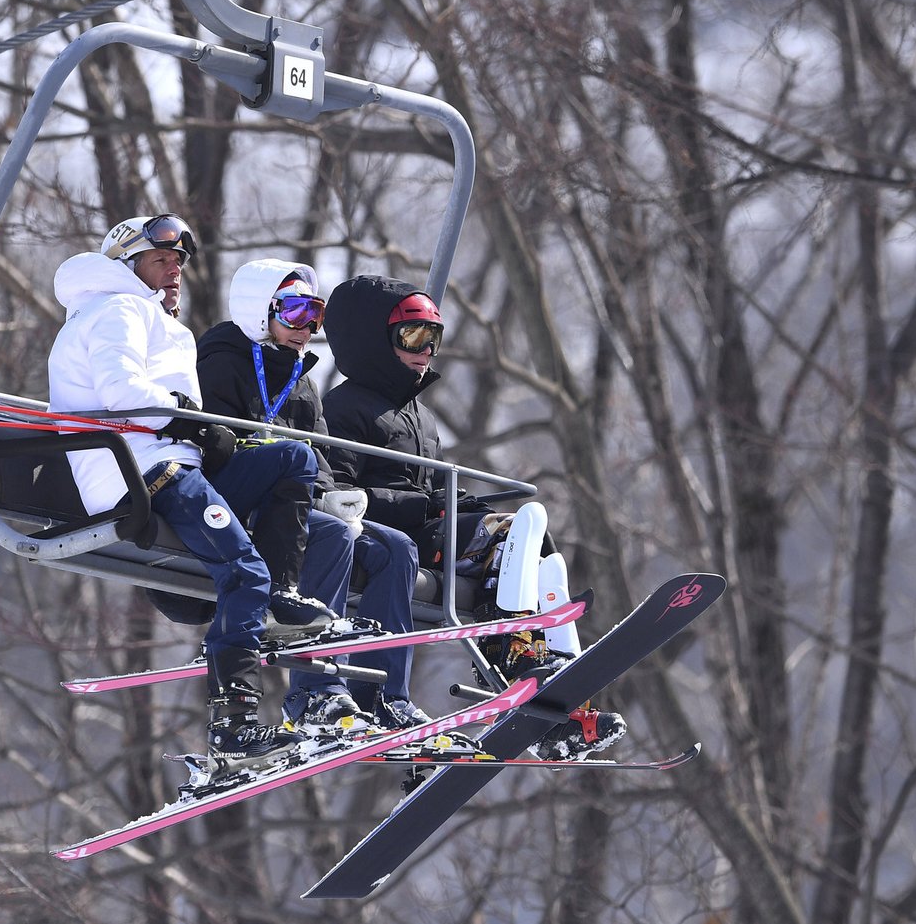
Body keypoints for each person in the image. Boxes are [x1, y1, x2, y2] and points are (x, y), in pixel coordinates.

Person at [47, 213, 343, 770]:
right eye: (161, 259)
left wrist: (207, 436)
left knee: (293, 457)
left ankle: (279, 596)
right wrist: (187, 419)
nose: (175, 270)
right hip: (143, 473)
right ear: (126, 264)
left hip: (171, 464)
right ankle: (234, 725)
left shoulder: (144, 314)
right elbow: (120, 391)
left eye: (179, 260)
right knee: (243, 571)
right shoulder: (117, 309)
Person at [320, 274, 627, 761]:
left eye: (433, 339)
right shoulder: (342, 408)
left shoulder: (418, 416)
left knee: (533, 541)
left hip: (425, 528)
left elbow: (433, 487)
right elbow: (338, 495)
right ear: (371, 340)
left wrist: (456, 503)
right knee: (513, 531)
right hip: (388, 539)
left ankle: (555, 682)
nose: (426, 350)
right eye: (413, 336)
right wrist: (424, 505)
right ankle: (517, 656)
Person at [195, 259, 429, 732]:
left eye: (315, 314)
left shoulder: (301, 379)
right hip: (243, 499)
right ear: (262, 311)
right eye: (295, 312)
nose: (307, 327)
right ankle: (315, 692)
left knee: (397, 548)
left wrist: (330, 495)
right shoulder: (222, 361)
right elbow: (214, 446)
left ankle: (381, 692)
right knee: (331, 537)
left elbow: (319, 451)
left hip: (296, 500)